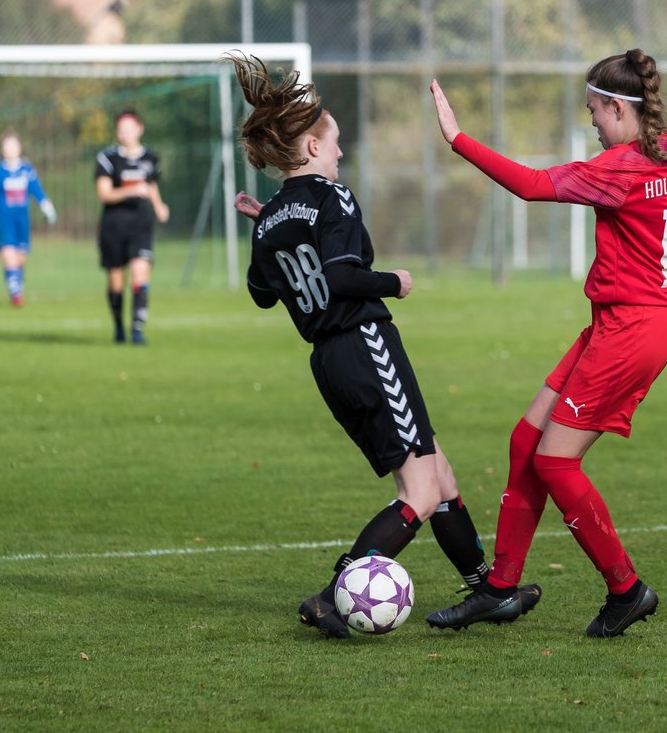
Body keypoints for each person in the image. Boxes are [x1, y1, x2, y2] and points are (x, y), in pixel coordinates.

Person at [424, 49, 667, 638]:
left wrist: (457, 138)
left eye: (594, 110)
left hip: (633, 329)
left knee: (554, 459)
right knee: (527, 440)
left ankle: (626, 589)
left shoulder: (622, 167)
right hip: (622, 322)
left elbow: (530, 185)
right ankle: (500, 588)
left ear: (619, 109)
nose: (591, 122)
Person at [223, 52, 525, 640]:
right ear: (311, 149)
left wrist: (271, 227)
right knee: (420, 490)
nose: (340, 152)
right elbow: (338, 276)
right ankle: (334, 593)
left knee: (439, 471)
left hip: (330, 363)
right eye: (334, 143)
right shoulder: (333, 197)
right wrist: (395, 282)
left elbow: (264, 293)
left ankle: (490, 588)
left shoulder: (270, 220)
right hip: (365, 343)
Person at [94, 110, 170, 344]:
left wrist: (159, 205)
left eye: (129, 128)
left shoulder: (151, 157)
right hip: (113, 226)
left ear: (139, 129)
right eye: (121, 129)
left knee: (140, 274)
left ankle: (137, 330)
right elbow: (104, 194)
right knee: (116, 281)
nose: (125, 133)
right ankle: (118, 325)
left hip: (140, 225)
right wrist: (132, 189)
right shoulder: (107, 158)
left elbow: (151, 185)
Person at [0, 130, 56, 306]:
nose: (10, 149)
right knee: (9, 255)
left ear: (19, 147)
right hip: (4, 221)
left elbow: (36, 190)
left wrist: (46, 205)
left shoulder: (27, 170)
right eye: (6, 146)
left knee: (20, 258)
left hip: (22, 221)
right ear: (2, 149)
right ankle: (16, 294)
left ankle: (16, 286)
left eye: (13, 145)